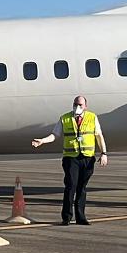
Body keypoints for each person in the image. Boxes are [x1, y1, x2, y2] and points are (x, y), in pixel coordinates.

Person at [31, 95, 109, 225]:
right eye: (75, 104)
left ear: (85, 106)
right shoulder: (65, 118)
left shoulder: (92, 117)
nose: (77, 107)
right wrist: (42, 141)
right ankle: (66, 217)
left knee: (82, 188)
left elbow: (99, 135)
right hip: (71, 158)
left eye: (80, 105)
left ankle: (81, 217)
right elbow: (55, 134)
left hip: (87, 158)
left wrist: (104, 153)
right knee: (71, 185)